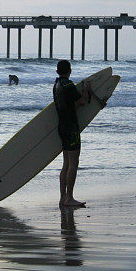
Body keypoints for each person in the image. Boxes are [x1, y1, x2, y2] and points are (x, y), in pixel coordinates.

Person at [53, 59, 91, 208]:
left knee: (66, 164)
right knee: (74, 163)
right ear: (70, 71)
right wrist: (86, 89)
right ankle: (69, 198)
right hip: (71, 127)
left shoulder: (56, 85)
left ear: (57, 72)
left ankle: (63, 198)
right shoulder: (68, 85)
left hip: (61, 126)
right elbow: (81, 102)